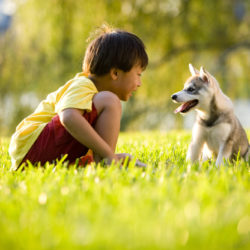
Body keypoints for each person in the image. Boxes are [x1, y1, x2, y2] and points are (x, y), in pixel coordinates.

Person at [9, 24, 148, 170]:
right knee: (110, 101)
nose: (139, 83)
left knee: (106, 105)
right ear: (115, 73)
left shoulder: (93, 100)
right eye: (138, 75)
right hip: (33, 147)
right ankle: (107, 160)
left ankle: (103, 161)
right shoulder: (83, 84)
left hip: (34, 155)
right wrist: (109, 154)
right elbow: (68, 117)